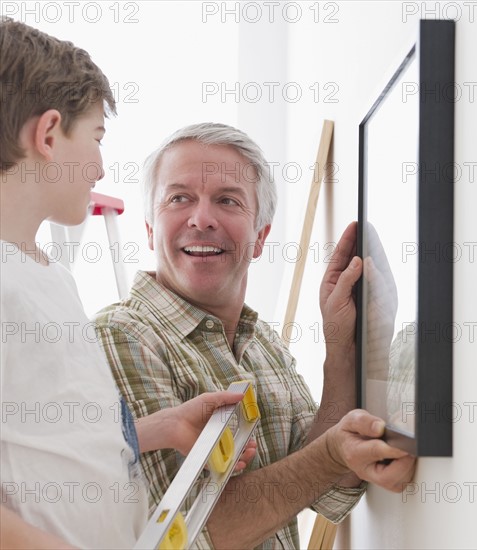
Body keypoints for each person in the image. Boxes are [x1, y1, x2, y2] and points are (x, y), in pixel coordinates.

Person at [94, 123, 417, 548]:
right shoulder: (120, 338)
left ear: (260, 236)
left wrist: (341, 348)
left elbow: (329, 484)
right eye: (179, 198)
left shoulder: (262, 343)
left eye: (227, 200)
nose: (201, 218)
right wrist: (331, 453)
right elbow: (190, 537)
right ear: (151, 228)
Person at [0, 18, 254, 549]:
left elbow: (54, 446)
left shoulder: (50, 276)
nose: (98, 166)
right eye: (95, 138)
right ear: (48, 134)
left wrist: (161, 428)